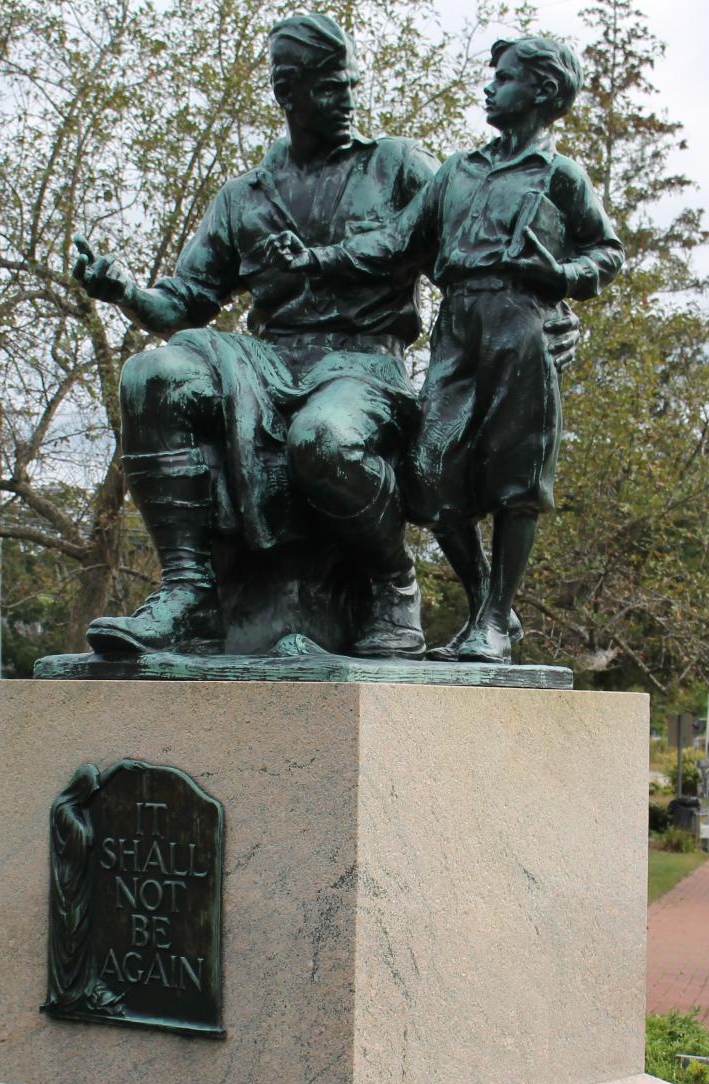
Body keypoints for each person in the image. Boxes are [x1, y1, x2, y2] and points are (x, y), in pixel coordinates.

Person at [73, 16, 579, 659]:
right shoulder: (243, 197)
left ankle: (393, 584)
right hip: (265, 358)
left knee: (324, 439)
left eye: (351, 85)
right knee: (151, 378)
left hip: (364, 363)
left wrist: (552, 314)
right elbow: (185, 300)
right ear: (290, 93)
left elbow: (484, 243)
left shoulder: (395, 166)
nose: (348, 99)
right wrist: (123, 290)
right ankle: (188, 593)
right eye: (332, 88)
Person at [274, 35, 623, 662]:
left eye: (505, 77)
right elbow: (396, 239)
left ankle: (490, 621)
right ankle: (493, 601)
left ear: (542, 93)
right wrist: (317, 259)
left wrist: (563, 281)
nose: (489, 87)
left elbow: (607, 252)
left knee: (518, 480)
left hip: (521, 326)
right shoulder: (458, 170)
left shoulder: (559, 175)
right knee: (425, 476)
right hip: (458, 327)